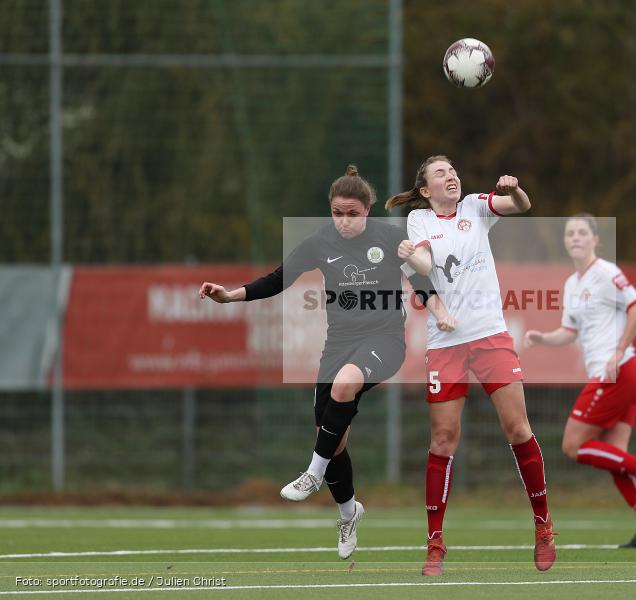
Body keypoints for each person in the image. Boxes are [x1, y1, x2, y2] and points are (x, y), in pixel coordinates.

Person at [198, 165, 452, 560]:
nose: (344, 221)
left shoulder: (389, 237)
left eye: (352, 214)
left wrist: (439, 311)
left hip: (384, 341)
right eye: (337, 213)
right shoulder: (319, 241)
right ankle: (349, 513)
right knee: (332, 438)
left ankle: (312, 474)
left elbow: (420, 281)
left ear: (367, 210)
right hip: (338, 345)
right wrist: (230, 296)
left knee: (344, 385)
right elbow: (279, 278)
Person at [387, 155, 556, 576]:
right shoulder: (419, 220)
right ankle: (435, 543)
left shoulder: (476, 206)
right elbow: (423, 267)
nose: (451, 176)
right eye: (440, 173)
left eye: (452, 171)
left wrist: (514, 189)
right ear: (425, 189)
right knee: (443, 439)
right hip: (446, 344)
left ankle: (543, 526)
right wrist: (411, 257)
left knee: (517, 428)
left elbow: (522, 206)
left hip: (489, 335)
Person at [524, 213, 636, 548]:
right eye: (570, 233)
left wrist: (618, 351)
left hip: (618, 372)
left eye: (582, 232)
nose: (575, 238)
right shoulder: (572, 284)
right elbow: (569, 331)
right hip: (621, 375)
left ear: (595, 239)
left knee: (572, 445)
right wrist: (543, 338)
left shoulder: (606, 272)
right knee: (615, 457)